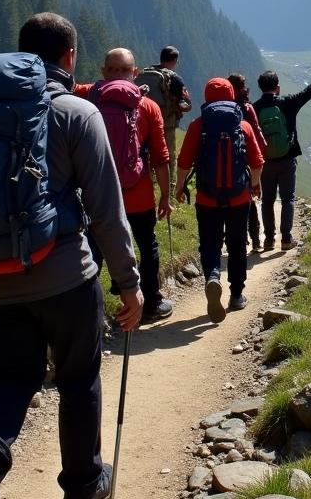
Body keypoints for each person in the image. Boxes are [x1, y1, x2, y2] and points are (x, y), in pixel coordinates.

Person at [0, 13, 143, 499]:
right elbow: (106, 210)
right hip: (64, 275)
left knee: (14, 375)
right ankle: (83, 487)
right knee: (78, 376)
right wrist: (129, 282)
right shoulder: (77, 113)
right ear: (70, 59)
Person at [76, 47, 173, 323]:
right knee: (147, 246)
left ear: (102, 71)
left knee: (94, 251)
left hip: (97, 194)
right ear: (136, 73)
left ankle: (90, 314)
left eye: (119, 70)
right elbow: (160, 157)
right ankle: (151, 302)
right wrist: (165, 196)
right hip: (139, 195)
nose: (117, 75)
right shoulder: (148, 106)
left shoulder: (87, 96)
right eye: (117, 70)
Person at [176, 78, 264, 321]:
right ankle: (236, 295)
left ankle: (213, 276)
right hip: (238, 198)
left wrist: (179, 187)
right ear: (232, 96)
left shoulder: (198, 125)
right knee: (237, 245)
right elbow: (257, 162)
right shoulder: (243, 126)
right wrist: (255, 185)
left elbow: (183, 162)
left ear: (206, 97)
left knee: (210, 243)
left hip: (207, 198)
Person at [253, 59, 311, 250]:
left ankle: (268, 239)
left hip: (265, 162)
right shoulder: (288, 103)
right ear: (278, 87)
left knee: (267, 200)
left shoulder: (254, 108)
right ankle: (286, 239)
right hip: (287, 159)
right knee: (287, 199)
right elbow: (309, 92)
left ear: (260, 87)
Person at [135, 45, 191, 191]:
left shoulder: (145, 73)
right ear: (174, 60)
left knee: (145, 152)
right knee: (168, 155)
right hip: (166, 123)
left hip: (143, 121)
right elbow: (185, 103)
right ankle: (170, 187)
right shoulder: (174, 78)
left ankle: (147, 181)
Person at [228, 73, 268, 251]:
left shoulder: (224, 107)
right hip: (245, 161)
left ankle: (237, 239)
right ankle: (256, 240)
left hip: (228, 160)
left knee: (231, 202)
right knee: (249, 201)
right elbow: (257, 134)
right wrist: (260, 158)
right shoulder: (247, 107)